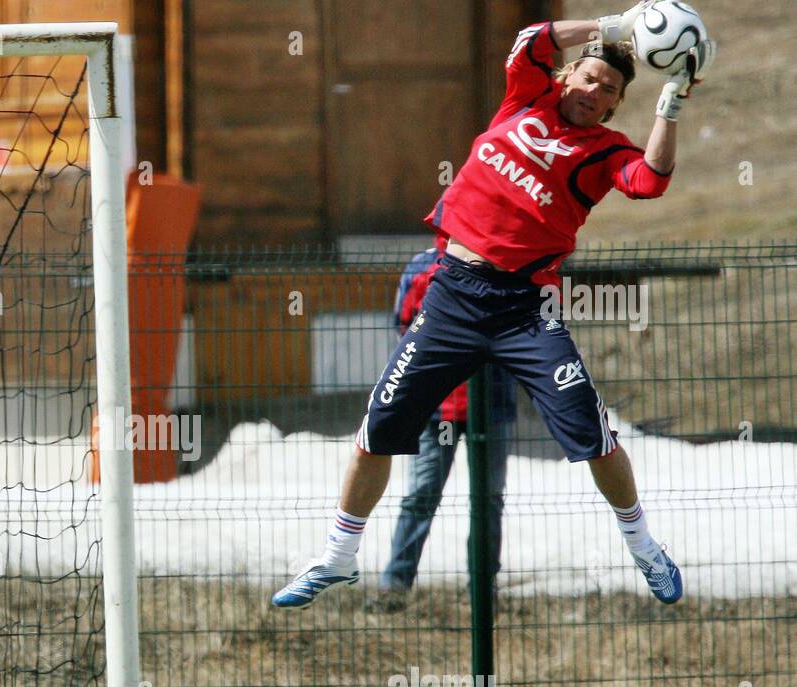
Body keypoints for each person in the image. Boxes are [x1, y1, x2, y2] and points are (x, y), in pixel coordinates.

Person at [273, 7, 714, 609]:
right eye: (588, 78)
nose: (595, 91)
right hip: (452, 296)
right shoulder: (521, 102)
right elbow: (530, 42)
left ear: (613, 108)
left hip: (523, 312)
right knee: (376, 430)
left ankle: (643, 546)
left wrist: (671, 100)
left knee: (593, 434)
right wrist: (616, 23)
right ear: (566, 79)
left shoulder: (603, 150)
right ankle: (339, 557)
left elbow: (650, 180)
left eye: (608, 90)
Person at [375, 243, 517, 607]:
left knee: (489, 499)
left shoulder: (510, 262)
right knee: (422, 494)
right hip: (436, 407)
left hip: (493, 404)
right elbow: (403, 329)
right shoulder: (423, 266)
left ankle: (483, 591)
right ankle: (394, 586)